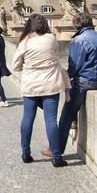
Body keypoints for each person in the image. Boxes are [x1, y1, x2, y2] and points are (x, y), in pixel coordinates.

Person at [11, 15, 68, 167]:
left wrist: (29, 66)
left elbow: (14, 65)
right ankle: (56, 156)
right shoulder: (51, 38)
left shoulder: (25, 42)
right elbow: (55, 56)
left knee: (27, 118)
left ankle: (26, 153)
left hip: (31, 85)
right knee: (50, 120)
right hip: (50, 84)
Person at [55, 14, 97, 158]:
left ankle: (57, 149)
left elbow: (75, 65)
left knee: (66, 113)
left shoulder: (79, 40)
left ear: (77, 25)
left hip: (85, 82)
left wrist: (67, 76)